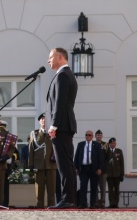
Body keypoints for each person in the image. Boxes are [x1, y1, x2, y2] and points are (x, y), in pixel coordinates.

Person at [46, 47, 78, 209]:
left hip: (62, 126)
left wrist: (54, 125)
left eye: (50, 57)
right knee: (67, 163)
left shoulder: (63, 75)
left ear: (60, 57)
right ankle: (70, 198)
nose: (48, 60)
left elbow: (60, 102)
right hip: (65, 125)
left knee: (64, 164)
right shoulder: (64, 75)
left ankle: (68, 198)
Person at [28, 113, 57, 208]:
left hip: (51, 163)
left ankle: (51, 205)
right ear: (39, 122)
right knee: (39, 187)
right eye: (42, 119)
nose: (44, 121)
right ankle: (39, 205)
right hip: (38, 164)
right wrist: (31, 164)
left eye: (45, 119)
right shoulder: (34, 133)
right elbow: (31, 150)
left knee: (51, 187)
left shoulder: (53, 132)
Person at [74, 130, 103, 209]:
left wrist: (100, 168)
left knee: (94, 186)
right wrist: (76, 167)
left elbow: (100, 157)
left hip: (93, 168)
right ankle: (83, 203)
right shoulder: (80, 144)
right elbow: (76, 157)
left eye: (89, 135)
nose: (88, 136)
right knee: (83, 186)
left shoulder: (96, 145)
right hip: (83, 168)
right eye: (86, 135)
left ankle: (92, 204)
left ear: (92, 136)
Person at [106, 138, 124, 208]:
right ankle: (111, 204)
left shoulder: (119, 151)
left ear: (115, 144)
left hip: (117, 174)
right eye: (111, 143)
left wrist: (122, 174)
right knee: (110, 190)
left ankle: (116, 204)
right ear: (109, 144)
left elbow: (121, 164)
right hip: (109, 174)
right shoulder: (106, 152)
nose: (113, 144)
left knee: (117, 190)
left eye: (114, 143)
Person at [94, 129, 108, 208]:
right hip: (94, 170)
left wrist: (102, 168)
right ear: (95, 136)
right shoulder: (93, 144)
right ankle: (96, 202)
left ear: (102, 136)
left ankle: (102, 202)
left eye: (100, 135)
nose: (99, 136)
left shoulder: (105, 145)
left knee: (103, 187)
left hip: (103, 170)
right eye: (97, 135)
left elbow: (107, 158)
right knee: (95, 187)